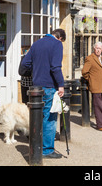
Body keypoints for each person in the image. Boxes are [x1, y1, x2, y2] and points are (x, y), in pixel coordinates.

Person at [19, 28, 66, 159]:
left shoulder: (37, 43)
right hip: (49, 86)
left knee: (37, 117)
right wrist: (61, 85)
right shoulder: (57, 44)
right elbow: (56, 67)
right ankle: (47, 150)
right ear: (60, 38)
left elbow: (25, 63)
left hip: (35, 87)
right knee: (50, 119)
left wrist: (36, 72)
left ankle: (36, 146)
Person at [82, 42, 102, 132]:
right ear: (94, 49)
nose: (98, 50)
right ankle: (100, 125)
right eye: (96, 48)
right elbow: (84, 72)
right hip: (95, 86)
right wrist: (91, 80)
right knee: (98, 106)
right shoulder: (90, 59)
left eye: (100, 48)